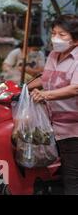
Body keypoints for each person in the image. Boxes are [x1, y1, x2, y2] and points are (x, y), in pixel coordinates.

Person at [29, 15, 78, 195]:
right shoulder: (53, 55)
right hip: (52, 126)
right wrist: (23, 90)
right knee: (54, 173)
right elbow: (45, 78)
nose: (55, 38)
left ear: (75, 37)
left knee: (72, 178)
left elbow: (75, 89)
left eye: (62, 34)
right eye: (53, 33)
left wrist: (45, 95)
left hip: (73, 130)